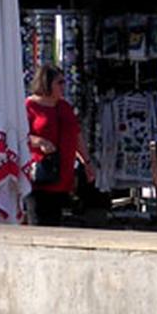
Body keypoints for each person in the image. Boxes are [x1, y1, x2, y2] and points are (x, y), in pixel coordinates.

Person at [25, 64, 95, 226]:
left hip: (62, 178)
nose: (64, 86)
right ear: (46, 83)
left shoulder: (64, 106)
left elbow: (77, 135)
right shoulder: (29, 106)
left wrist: (86, 162)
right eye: (59, 82)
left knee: (56, 224)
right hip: (40, 178)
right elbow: (18, 137)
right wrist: (39, 141)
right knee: (39, 225)